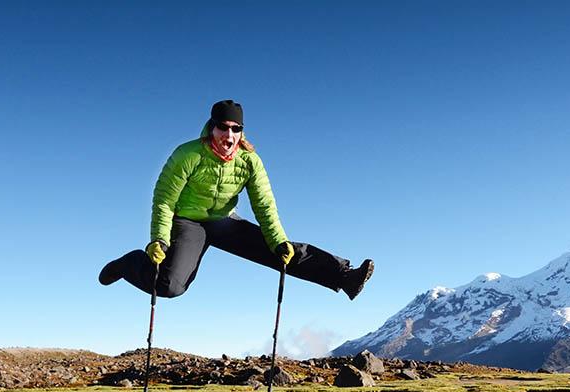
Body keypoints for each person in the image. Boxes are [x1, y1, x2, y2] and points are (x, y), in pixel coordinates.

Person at [99, 100, 373, 300]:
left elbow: (264, 204)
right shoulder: (187, 154)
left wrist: (277, 240)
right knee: (170, 286)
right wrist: (159, 239)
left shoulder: (249, 161)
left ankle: (344, 276)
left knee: (281, 250)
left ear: (241, 131)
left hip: (223, 221)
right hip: (187, 221)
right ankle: (129, 264)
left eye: (235, 128)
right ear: (212, 127)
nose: (228, 135)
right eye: (223, 127)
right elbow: (163, 201)